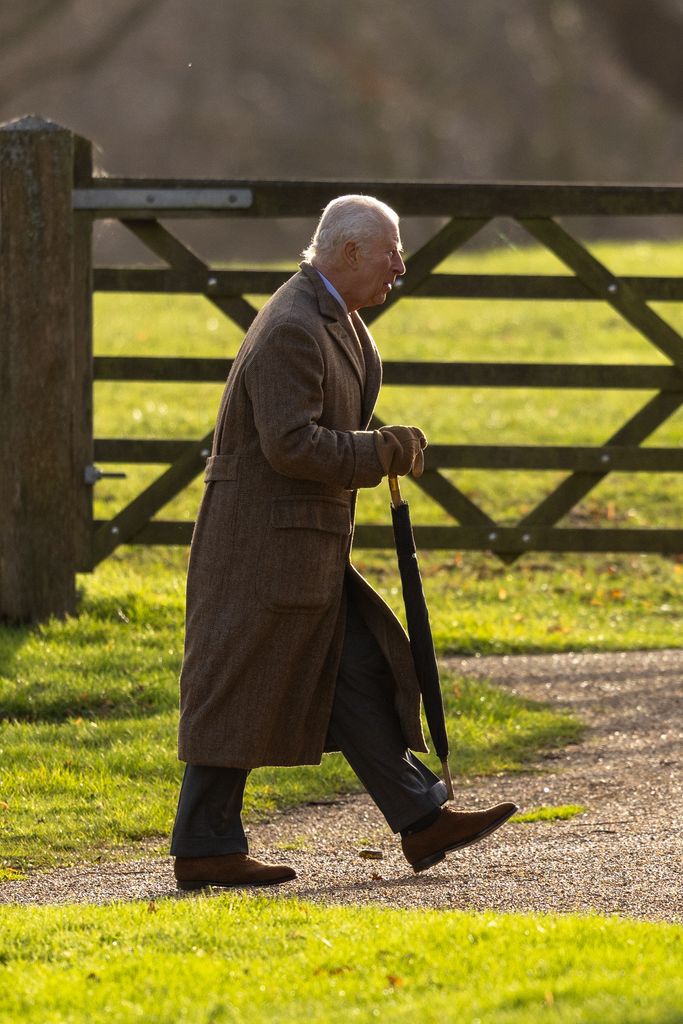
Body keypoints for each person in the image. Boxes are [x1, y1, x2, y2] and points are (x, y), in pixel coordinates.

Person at [170, 195, 517, 889]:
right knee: (237, 684)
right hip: (263, 547)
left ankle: (420, 820)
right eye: (389, 252)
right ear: (348, 253)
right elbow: (289, 444)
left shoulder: (336, 317)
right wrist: (376, 451)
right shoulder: (296, 326)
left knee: (355, 670)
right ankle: (204, 846)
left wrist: (373, 447)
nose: (400, 265)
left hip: (302, 544)